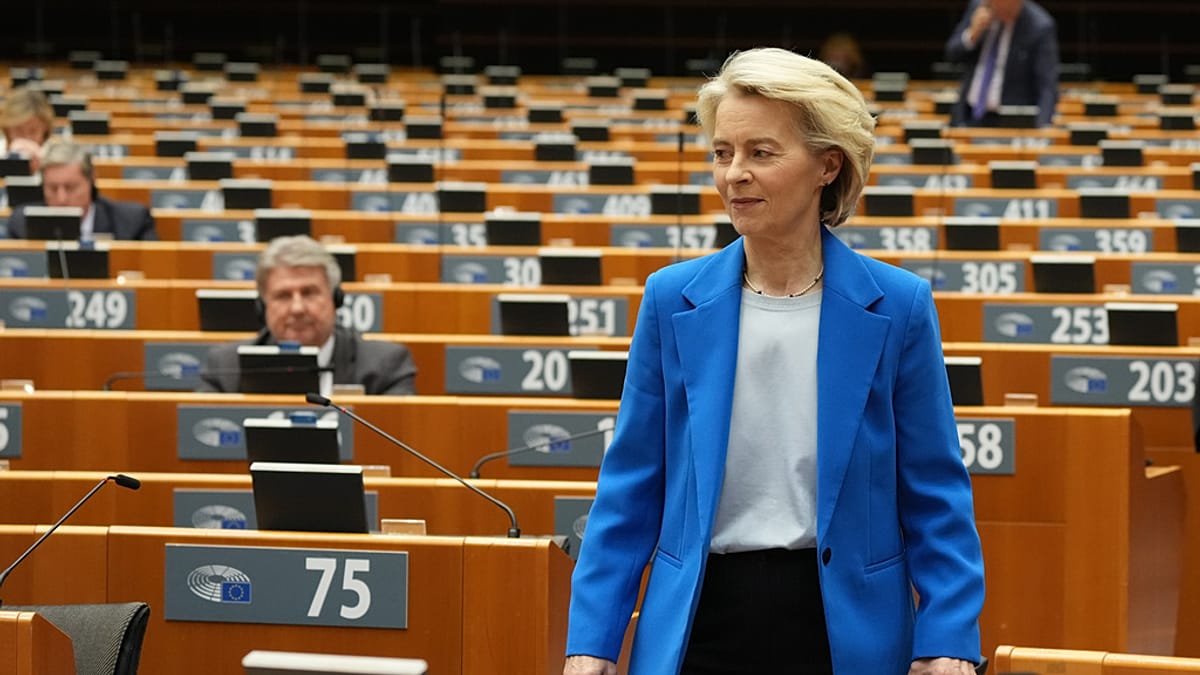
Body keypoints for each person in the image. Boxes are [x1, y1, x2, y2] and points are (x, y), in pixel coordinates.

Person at [563, 47, 985, 675]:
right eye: (722, 153)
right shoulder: (670, 299)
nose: (734, 174)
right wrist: (591, 642)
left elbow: (934, 493)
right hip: (699, 620)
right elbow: (630, 487)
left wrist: (947, 635)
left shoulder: (898, 306)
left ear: (827, 165)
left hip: (844, 627)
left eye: (761, 153)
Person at [197, 235, 417, 396]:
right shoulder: (225, 368)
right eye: (283, 296)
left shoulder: (386, 367)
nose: (297, 308)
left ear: (335, 299)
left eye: (309, 293)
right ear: (263, 306)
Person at [4, 140, 159, 240]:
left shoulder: (131, 222)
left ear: (91, 180)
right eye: (52, 188)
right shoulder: (21, 223)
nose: (62, 199)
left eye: (70, 187)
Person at [944, 0, 1059, 127]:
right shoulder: (979, 8)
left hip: (1010, 121)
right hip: (968, 114)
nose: (999, 8)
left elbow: (1047, 86)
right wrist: (972, 34)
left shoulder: (1039, 26)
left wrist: (1043, 126)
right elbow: (952, 54)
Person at [1, 86, 54, 170]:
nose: (25, 137)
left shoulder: (58, 158)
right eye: (18, 130)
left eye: (33, 131)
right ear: (7, 129)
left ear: (45, 130)